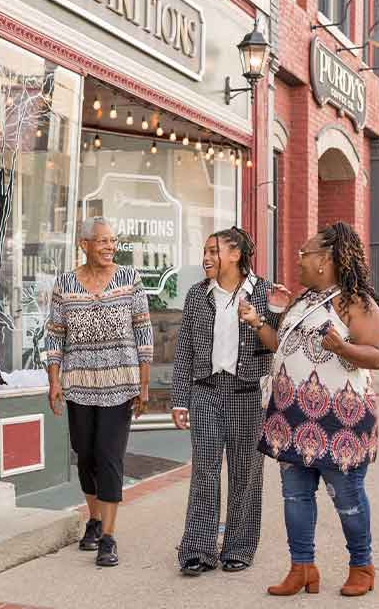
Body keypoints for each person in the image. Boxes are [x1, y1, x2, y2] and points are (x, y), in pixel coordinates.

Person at [245, 222, 379, 598]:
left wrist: (344, 349)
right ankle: (302, 567)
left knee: (347, 497)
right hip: (291, 419)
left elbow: (376, 355)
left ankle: (362, 565)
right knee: (295, 496)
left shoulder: (358, 303)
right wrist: (258, 322)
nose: (300, 260)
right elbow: (280, 345)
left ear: (325, 260)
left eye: (304, 254)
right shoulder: (302, 301)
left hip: (341, 420)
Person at [171, 227, 290, 576]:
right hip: (205, 391)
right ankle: (197, 549)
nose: (206, 258)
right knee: (205, 469)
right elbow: (185, 352)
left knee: (245, 473)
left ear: (235, 254)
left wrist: (273, 314)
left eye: (213, 251)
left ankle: (238, 547)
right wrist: (180, 399)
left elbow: (278, 343)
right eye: (204, 252)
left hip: (247, 393)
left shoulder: (266, 292)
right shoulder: (197, 295)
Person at [46, 216, 152, 567]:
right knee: (85, 455)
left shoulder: (129, 280)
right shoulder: (65, 283)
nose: (110, 247)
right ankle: (93, 518)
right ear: (84, 245)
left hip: (119, 383)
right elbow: (55, 334)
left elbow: (144, 334)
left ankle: (108, 536)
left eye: (113, 241)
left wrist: (144, 383)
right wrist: (54, 380)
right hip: (78, 383)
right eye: (103, 241)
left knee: (109, 456)